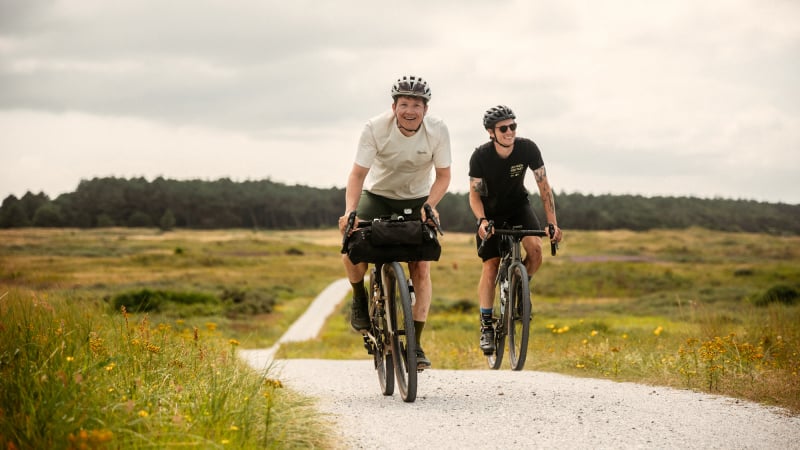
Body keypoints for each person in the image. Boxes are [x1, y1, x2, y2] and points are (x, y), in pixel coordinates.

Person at [338, 75, 452, 369]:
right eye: (404, 104)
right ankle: (360, 298)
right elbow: (357, 175)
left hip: (417, 199)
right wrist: (350, 210)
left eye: (417, 104)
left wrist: (430, 205)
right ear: (394, 106)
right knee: (351, 239)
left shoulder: (437, 131)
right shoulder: (375, 128)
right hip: (378, 195)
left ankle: (415, 345)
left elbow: (443, 176)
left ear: (425, 109)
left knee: (421, 266)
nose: (410, 110)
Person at [468, 105, 563, 354]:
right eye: (503, 128)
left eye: (513, 126)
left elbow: (544, 187)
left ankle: (521, 285)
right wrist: (481, 220)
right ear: (491, 132)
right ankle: (486, 326)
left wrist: (552, 222)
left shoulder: (528, 148)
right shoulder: (480, 156)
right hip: (490, 212)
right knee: (490, 264)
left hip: (518, 206)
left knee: (535, 249)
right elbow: (474, 196)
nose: (509, 131)